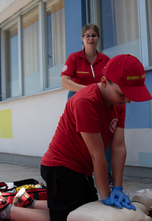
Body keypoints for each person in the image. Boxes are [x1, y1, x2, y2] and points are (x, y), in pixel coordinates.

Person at [0, 54, 152, 221]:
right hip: (60, 166)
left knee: (86, 211)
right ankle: (3, 209)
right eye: (123, 94)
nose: (127, 101)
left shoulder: (118, 101)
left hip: (82, 169)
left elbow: (118, 146)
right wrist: (106, 197)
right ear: (104, 82)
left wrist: (118, 188)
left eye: (130, 96)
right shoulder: (86, 101)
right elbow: (98, 155)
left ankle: (28, 202)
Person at [61, 24, 114, 185]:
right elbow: (65, 81)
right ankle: (82, 173)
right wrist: (89, 90)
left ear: (98, 38)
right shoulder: (74, 58)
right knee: (80, 139)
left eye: (94, 35)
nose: (91, 38)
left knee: (105, 137)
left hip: (101, 102)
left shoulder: (106, 60)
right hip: (79, 102)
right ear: (82, 38)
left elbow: (112, 82)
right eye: (87, 35)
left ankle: (107, 174)